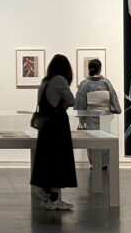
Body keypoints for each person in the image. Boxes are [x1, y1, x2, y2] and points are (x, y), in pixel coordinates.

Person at [30, 53, 77, 211]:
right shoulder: (59, 80)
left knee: (48, 160)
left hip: (46, 127)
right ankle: (54, 200)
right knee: (59, 161)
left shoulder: (45, 81)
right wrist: (64, 104)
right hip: (57, 127)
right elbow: (72, 101)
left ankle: (47, 195)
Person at [74, 58, 121, 169]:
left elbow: (80, 101)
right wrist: (115, 109)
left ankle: (94, 163)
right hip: (104, 115)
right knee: (105, 139)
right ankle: (104, 164)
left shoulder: (85, 83)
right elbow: (113, 97)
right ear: (100, 69)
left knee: (92, 140)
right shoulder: (106, 82)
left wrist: (81, 116)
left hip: (90, 116)